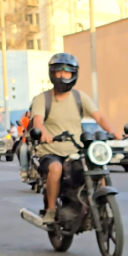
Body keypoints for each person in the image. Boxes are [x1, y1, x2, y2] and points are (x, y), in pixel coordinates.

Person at [26, 52, 118, 225]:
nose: (63, 76)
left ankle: (100, 205)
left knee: (97, 166)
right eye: (59, 72)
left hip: (76, 150)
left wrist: (114, 132)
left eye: (67, 72)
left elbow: (98, 117)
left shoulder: (79, 97)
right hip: (51, 151)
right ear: (52, 74)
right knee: (56, 168)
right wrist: (42, 132)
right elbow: (37, 120)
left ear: (73, 74)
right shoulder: (42, 99)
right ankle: (51, 210)